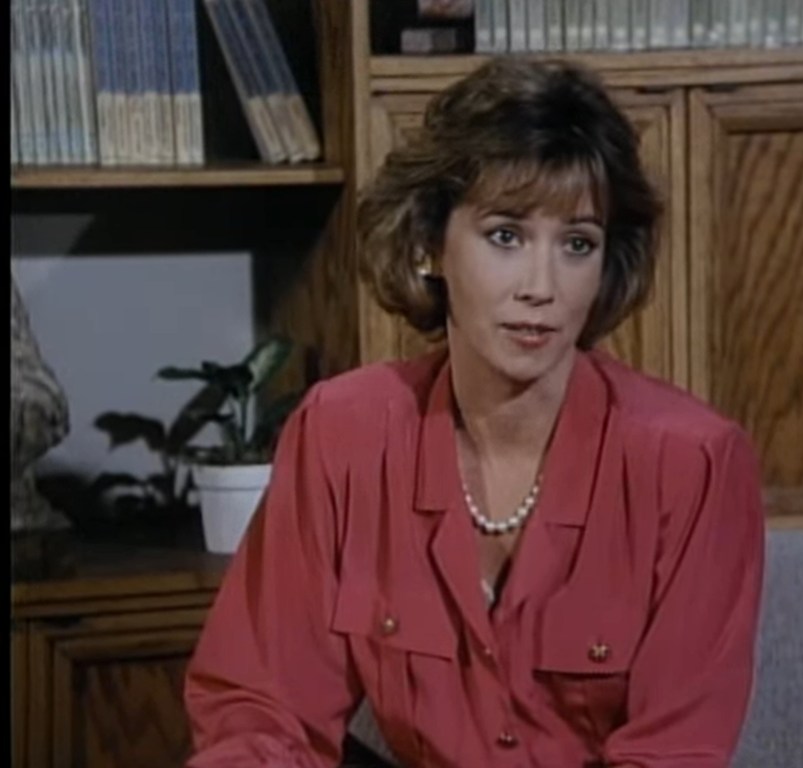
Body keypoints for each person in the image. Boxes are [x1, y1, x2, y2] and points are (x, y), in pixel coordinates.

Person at [184, 57, 765, 768]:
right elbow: (262, 709)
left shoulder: (693, 465)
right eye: (505, 236)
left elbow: (674, 755)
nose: (541, 286)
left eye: (577, 244)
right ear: (430, 245)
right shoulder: (342, 434)